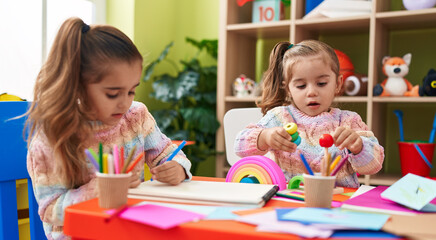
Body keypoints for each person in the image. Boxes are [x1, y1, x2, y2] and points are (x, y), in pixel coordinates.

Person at [26, 17, 192, 239]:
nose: (124, 103)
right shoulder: (53, 136)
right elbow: (49, 210)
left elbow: (167, 153)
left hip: (130, 230)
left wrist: (178, 168)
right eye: (113, 93)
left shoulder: (135, 115)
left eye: (132, 91)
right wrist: (99, 191)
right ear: (77, 85)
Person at [235, 40, 384, 188]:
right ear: (288, 89)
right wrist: (265, 137)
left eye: (321, 83)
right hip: (289, 199)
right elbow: (239, 147)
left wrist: (359, 147)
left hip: (337, 203)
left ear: (338, 84)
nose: (311, 92)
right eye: (301, 86)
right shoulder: (279, 117)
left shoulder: (349, 121)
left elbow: (374, 166)